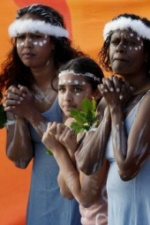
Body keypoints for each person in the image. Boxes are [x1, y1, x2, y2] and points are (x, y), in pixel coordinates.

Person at [1, 4, 84, 225]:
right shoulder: (20, 89)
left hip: (77, 189)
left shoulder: (75, 82)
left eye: (36, 36)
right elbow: (20, 160)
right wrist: (17, 115)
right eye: (21, 37)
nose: (26, 44)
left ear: (54, 42)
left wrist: (31, 114)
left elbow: (72, 147)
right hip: (42, 194)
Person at [76, 13, 150, 225]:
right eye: (115, 41)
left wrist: (116, 110)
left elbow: (127, 168)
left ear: (147, 54)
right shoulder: (110, 99)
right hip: (119, 213)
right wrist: (109, 109)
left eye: (130, 42)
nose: (120, 47)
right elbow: (87, 164)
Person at [42, 56, 108, 225]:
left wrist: (58, 151)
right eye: (62, 89)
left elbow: (85, 198)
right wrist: (71, 151)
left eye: (77, 89)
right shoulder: (73, 123)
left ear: (97, 92)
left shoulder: (98, 127)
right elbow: (66, 191)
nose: (67, 97)